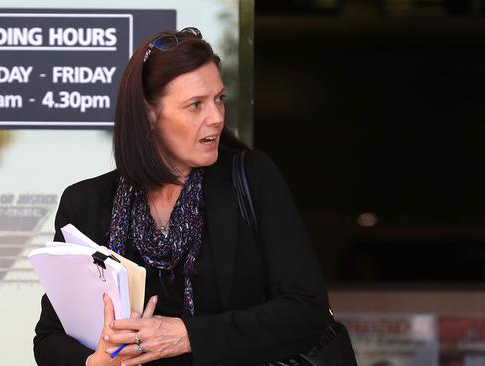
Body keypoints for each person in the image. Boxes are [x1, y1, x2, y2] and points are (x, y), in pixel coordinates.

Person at [34, 27, 330, 366]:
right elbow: (49, 340)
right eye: (195, 105)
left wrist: (186, 336)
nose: (217, 117)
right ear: (149, 115)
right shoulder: (85, 203)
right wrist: (95, 362)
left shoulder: (251, 179)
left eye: (219, 99)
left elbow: (307, 310)